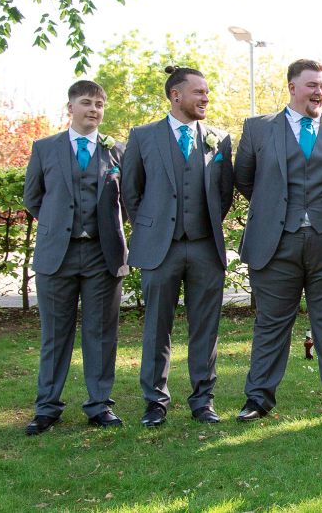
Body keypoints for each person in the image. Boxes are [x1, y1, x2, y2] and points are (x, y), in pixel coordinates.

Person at [234, 59, 322, 421]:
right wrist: (279, 213)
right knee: (271, 321)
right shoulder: (258, 129)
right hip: (276, 243)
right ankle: (258, 399)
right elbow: (246, 180)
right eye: (312, 85)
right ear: (292, 87)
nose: (319, 92)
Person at [121, 66, 234, 427]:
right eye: (198, 92)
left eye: (206, 92)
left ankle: (203, 400)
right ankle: (155, 402)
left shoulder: (219, 139)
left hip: (204, 247)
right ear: (176, 95)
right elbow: (130, 192)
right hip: (160, 248)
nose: (205, 98)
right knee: (157, 327)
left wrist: (201, 225)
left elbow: (224, 193)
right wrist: (154, 227)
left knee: (206, 328)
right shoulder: (142, 136)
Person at [22, 80, 129, 434]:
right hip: (58, 255)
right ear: (70, 108)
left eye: (99, 104)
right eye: (86, 102)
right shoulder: (45, 148)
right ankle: (47, 407)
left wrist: (105, 229)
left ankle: (99, 405)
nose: (94, 109)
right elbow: (33, 198)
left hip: (102, 255)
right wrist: (61, 226)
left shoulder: (117, 151)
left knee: (101, 333)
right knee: (56, 335)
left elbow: (127, 202)